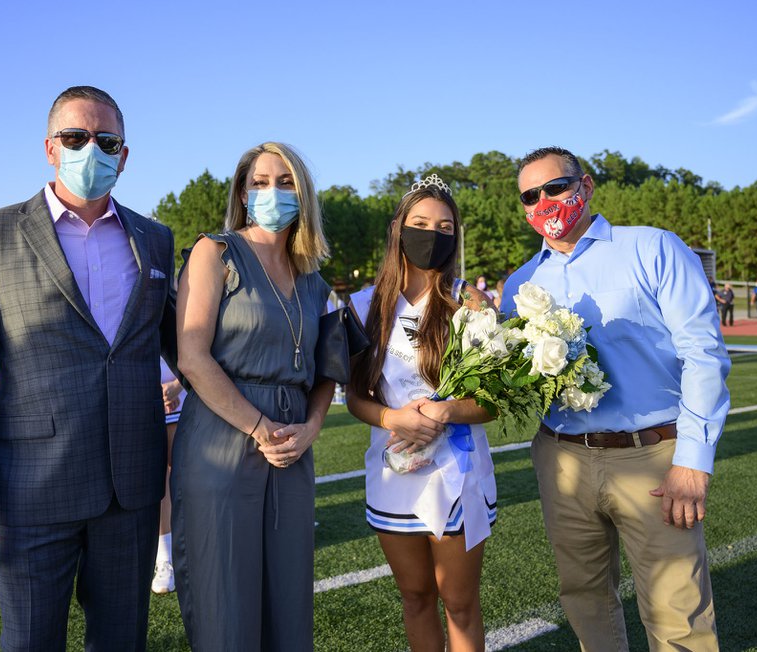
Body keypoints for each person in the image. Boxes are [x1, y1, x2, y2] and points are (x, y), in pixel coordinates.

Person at [0, 86, 178, 650]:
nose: (91, 149)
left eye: (106, 140)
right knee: (31, 642)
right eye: (76, 137)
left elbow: (184, 344)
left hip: (132, 488)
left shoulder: (155, 239)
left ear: (124, 153)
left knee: (123, 642)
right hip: (32, 488)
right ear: (50, 147)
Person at [501, 146, 730, 651]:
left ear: (584, 186)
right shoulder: (519, 284)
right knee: (584, 599)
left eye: (555, 187)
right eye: (530, 195)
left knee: (678, 612)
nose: (545, 201)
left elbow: (705, 354)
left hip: (651, 455)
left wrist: (692, 460)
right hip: (561, 457)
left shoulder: (652, 248)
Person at [173, 142, 334, 651]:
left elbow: (328, 367)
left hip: (292, 446)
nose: (273, 191)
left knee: (288, 603)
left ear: (303, 192)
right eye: (260, 181)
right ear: (243, 192)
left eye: (285, 181)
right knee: (226, 601)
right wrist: (259, 428)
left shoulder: (313, 277)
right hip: (222, 440)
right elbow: (193, 357)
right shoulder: (214, 251)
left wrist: (310, 428)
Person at [347, 174, 498, 652]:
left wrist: (444, 410)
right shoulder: (363, 305)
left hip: (457, 473)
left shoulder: (469, 303)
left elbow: (491, 403)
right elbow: (355, 398)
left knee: (459, 603)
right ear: (398, 228)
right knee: (414, 597)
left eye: (445, 226)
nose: (432, 234)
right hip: (393, 473)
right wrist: (394, 419)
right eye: (420, 223)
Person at [151, 358, 185, 594]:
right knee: (157, 479)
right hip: (139, 394)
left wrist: (178, 383)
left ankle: (191, 549)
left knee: (184, 475)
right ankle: (165, 558)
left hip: (182, 393)